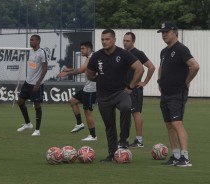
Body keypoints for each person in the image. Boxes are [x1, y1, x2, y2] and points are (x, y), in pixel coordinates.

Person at [86, 29, 144, 162]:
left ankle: (123, 141)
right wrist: (97, 78)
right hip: (103, 95)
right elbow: (89, 73)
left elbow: (139, 68)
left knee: (125, 107)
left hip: (120, 92)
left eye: (107, 39)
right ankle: (112, 154)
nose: (104, 42)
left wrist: (131, 86)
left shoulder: (123, 54)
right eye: (102, 39)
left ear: (114, 40)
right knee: (109, 125)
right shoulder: (97, 56)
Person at [157, 21, 199, 167]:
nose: (164, 35)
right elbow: (161, 67)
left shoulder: (181, 49)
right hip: (166, 93)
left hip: (177, 93)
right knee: (169, 124)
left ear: (175, 32)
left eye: (166, 32)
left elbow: (195, 66)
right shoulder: (164, 51)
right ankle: (175, 156)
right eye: (162, 32)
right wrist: (159, 82)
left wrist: (186, 82)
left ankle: (185, 158)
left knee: (177, 123)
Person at [119, 32, 155, 148]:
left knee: (135, 113)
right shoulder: (123, 54)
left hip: (134, 89)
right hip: (124, 89)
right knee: (126, 114)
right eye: (124, 40)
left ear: (133, 42)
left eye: (127, 41)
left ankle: (139, 141)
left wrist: (144, 82)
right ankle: (125, 139)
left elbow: (151, 67)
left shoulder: (138, 53)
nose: (125, 43)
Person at [57, 41, 97, 141]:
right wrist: (69, 69)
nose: (81, 50)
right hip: (86, 88)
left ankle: (93, 136)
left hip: (92, 89)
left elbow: (80, 70)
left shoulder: (92, 57)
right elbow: (84, 70)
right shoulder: (90, 58)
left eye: (83, 48)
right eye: (81, 49)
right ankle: (79, 124)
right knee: (73, 101)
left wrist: (66, 74)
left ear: (89, 48)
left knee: (87, 112)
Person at [16, 35, 48, 136]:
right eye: (30, 40)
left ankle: (37, 130)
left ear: (38, 41)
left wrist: (38, 83)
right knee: (20, 101)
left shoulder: (42, 52)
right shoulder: (30, 51)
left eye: (32, 40)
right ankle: (28, 123)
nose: (31, 41)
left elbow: (45, 69)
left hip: (36, 84)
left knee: (37, 105)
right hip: (27, 82)